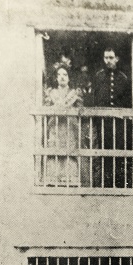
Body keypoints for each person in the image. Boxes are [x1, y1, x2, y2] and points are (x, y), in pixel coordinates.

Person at [43, 56, 83, 186]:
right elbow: (46, 109)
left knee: (69, 151)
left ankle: (70, 179)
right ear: (56, 78)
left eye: (65, 75)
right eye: (59, 75)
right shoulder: (51, 93)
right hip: (55, 128)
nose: (62, 77)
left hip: (69, 127)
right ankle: (53, 179)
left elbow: (81, 110)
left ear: (69, 78)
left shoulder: (75, 94)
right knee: (54, 150)